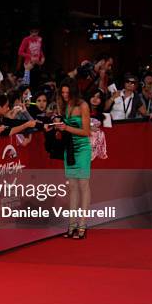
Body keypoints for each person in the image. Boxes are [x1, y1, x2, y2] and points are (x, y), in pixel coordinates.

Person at [55, 78, 92, 240]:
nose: (64, 95)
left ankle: (82, 225)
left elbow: (86, 132)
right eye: (62, 93)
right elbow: (65, 128)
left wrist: (66, 127)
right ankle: (71, 225)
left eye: (67, 93)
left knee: (83, 185)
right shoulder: (65, 105)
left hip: (82, 148)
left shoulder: (83, 105)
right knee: (72, 187)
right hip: (69, 149)